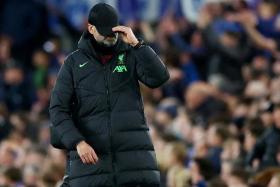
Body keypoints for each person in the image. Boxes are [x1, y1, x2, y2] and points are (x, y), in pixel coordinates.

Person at [49, 3, 170, 187]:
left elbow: (159, 78)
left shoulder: (131, 53)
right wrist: (77, 142)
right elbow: (58, 109)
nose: (111, 36)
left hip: (133, 164)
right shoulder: (73, 63)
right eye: (105, 32)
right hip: (91, 167)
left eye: (113, 31)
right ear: (90, 28)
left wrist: (138, 45)